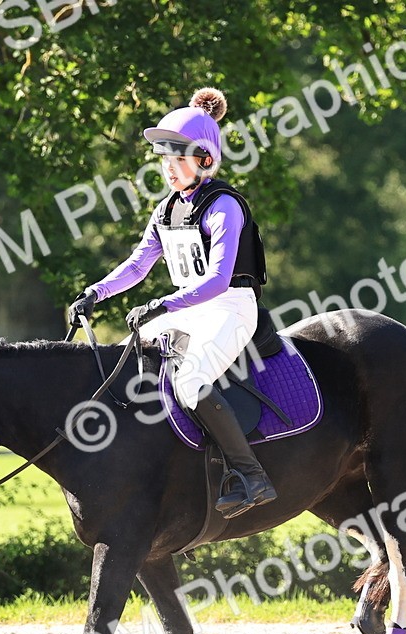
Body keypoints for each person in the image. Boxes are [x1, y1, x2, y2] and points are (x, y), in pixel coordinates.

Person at [68, 87, 275, 519]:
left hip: (230, 308)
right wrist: (95, 293)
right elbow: (137, 264)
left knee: (189, 382)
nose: (168, 168)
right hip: (187, 309)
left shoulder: (224, 206)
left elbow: (218, 280)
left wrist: (162, 305)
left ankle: (249, 474)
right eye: (164, 160)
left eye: (177, 159)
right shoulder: (165, 210)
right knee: (129, 361)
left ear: (204, 159)